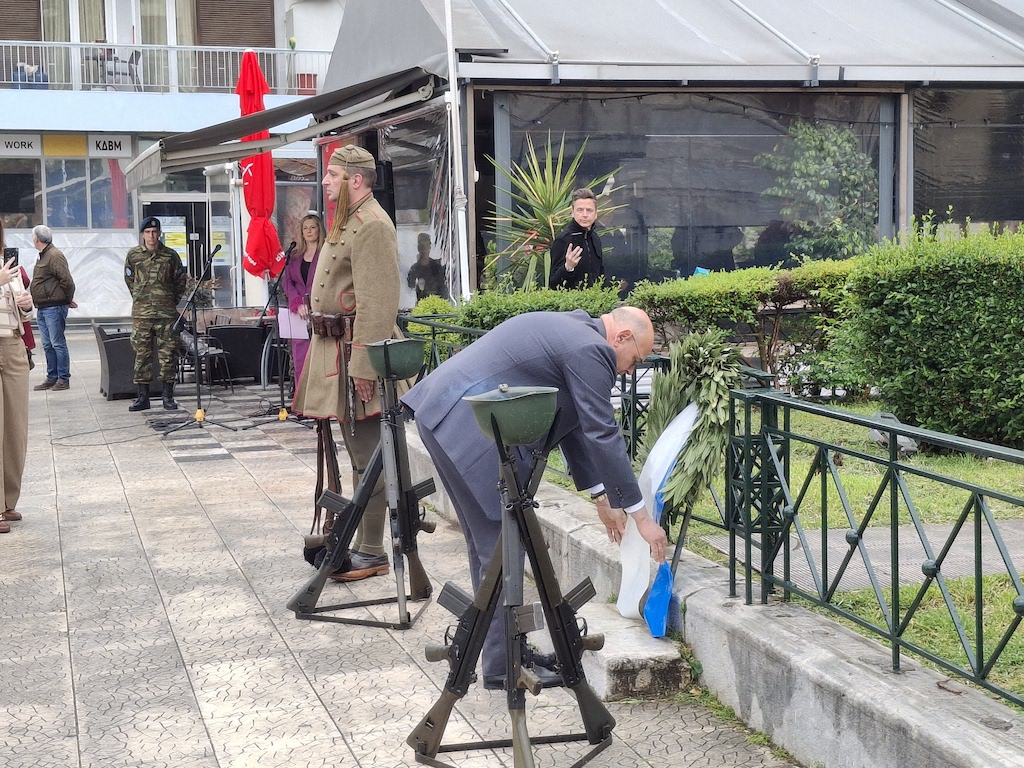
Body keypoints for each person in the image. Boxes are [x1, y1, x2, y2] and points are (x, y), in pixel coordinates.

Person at [401, 306, 668, 689]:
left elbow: (576, 423)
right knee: (501, 548)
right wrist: (641, 517)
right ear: (622, 336)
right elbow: (601, 431)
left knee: (492, 546)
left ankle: (505, 652)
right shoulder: (591, 348)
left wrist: (601, 496)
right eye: (635, 360)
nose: (629, 370)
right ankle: (502, 666)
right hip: (466, 424)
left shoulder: (577, 331)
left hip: (450, 414)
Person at [292, 144, 404, 582]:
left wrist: (363, 368)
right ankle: (358, 543)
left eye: (332, 175)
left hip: (356, 353)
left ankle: (372, 551)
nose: (324, 181)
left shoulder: (371, 224)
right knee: (359, 456)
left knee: (368, 457)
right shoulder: (347, 220)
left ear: (355, 180)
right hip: (335, 351)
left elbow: (379, 304)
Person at [124, 216, 186, 412]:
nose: (151, 236)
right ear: (142, 234)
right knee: (142, 356)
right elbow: (129, 279)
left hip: (166, 315)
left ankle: (168, 396)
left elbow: (180, 281)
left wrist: (170, 301)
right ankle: (143, 397)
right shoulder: (134, 255)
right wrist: (140, 297)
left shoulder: (170, 256)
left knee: (168, 355)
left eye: (154, 232)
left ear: (159, 233)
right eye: (148, 232)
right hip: (142, 315)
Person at [0, 221, 35, 534]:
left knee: (15, 428)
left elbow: (24, 310)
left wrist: (27, 305)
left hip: (13, 344)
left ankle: (7, 500)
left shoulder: (7, 264)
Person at [29, 225, 76, 391]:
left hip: (54, 307)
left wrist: (66, 299)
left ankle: (63, 378)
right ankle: (52, 377)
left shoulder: (54, 255)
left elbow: (67, 281)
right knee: (48, 344)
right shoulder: (43, 255)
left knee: (57, 343)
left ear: (37, 239)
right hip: (43, 306)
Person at [280, 213, 324, 381]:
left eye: (312, 227)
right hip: (299, 312)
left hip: (319, 308)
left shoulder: (325, 253)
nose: (309, 231)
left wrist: (312, 302)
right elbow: (287, 282)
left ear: (319, 230)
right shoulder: (294, 255)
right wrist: (297, 303)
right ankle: (301, 394)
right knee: (300, 358)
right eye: (305, 228)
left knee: (321, 357)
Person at [548, 188, 604, 289]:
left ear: (595, 214)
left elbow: (600, 275)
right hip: (571, 298)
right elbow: (553, 283)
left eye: (589, 210)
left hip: (595, 297)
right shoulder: (563, 240)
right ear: (572, 213)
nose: (585, 215)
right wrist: (568, 267)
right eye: (580, 210)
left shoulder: (595, 239)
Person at [406, 232, 447, 301]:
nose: (424, 249)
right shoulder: (414, 270)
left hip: (438, 304)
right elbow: (410, 290)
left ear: (429, 247)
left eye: (426, 246)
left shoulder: (437, 267)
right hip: (421, 305)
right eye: (422, 246)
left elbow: (443, 289)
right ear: (418, 248)